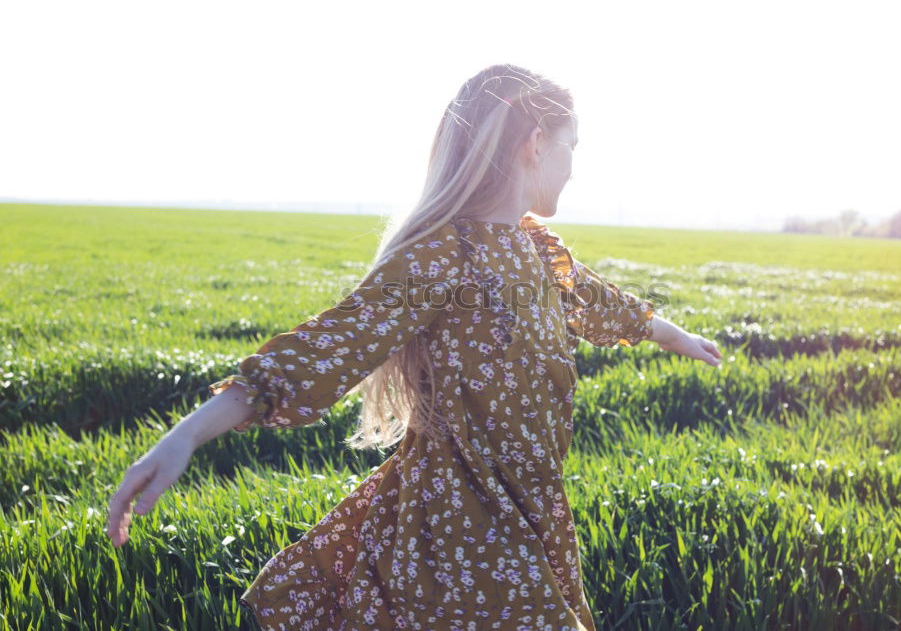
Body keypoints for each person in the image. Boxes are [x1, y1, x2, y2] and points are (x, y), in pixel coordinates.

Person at [106, 63, 722, 630]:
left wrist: (683, 338)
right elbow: (331, 345)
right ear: (535, 142)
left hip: (533, 513)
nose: (575, 167)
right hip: (456, 523)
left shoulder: (539, 254)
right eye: (573, 147)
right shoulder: (442, 257)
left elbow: (610, 308)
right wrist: (187, 432)